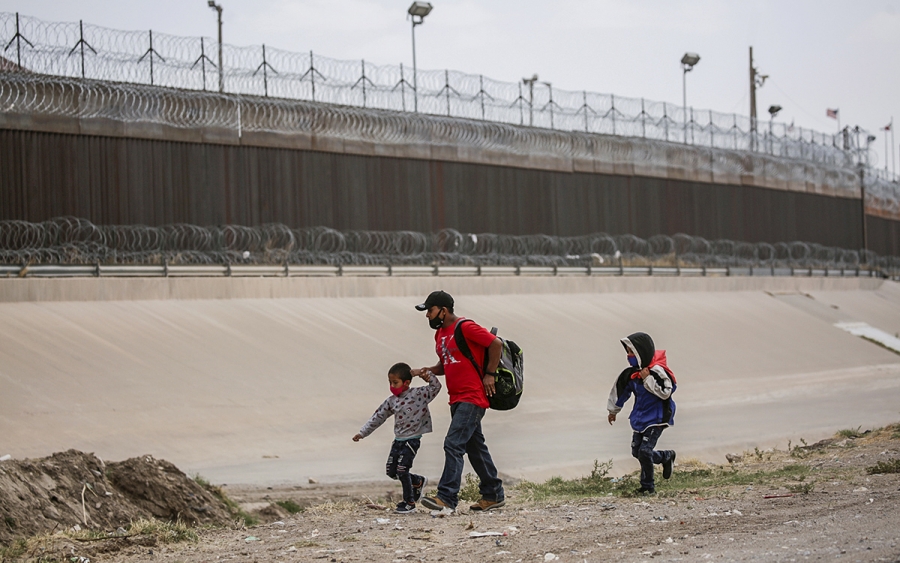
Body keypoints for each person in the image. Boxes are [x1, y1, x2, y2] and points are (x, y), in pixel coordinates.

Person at [411, 290, 505, 513]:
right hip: (456, 398)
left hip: (472, 396)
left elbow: (495, 344)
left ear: (443, 310)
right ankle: (493, 494)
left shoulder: (465, 327)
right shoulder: (440, 334)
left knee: (453, 444)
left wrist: (489, 374)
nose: (427, 316)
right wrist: (427, 370)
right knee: (475, 448)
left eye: (430, 311)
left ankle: (447, 498)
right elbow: (447, 364)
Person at [353, 362, 442, 514]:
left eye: (395, 382)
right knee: (391, 471)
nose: (392, 386)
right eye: (390, 382)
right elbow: (378, 417)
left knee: (402, 470)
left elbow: (436, 387)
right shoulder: (391, 401)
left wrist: (423, 374)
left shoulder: (419, 394)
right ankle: (418, 481)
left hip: (412, 439)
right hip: (398, 440)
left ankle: (409, 503)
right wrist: (362, 433)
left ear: (406, 382)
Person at [607, 331, 677, 495]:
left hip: (657, 417)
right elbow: (619, 392)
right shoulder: (630, 374)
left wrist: (647, 379)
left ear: (642, 352)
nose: (629, 356)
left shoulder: (658, 371)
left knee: (645, 452)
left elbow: (666, 392)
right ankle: (665, 457)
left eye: (632, 352)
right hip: (640, 418)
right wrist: (613, 411)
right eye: (628, 352)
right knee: (636, 452)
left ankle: (647, 487)